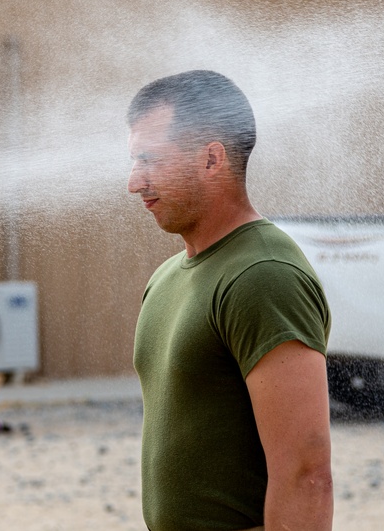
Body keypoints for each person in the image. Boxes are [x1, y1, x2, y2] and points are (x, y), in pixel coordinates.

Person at [126, 70, 333, 531]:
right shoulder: (166, 278)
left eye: (149, 160)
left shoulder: (264, 275)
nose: (134, 182)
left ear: (212, 159)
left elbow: (307, 475)